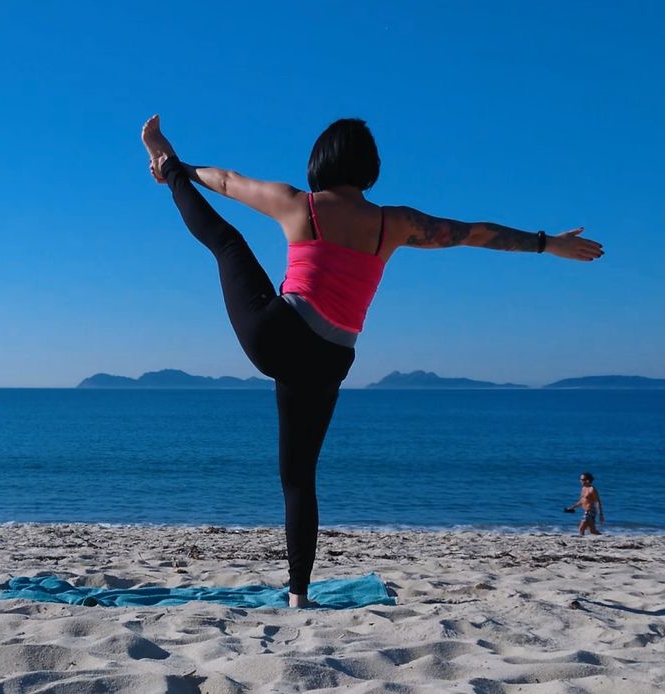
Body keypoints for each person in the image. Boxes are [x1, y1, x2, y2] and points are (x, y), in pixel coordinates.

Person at [141, 115, 604, 607]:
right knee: (299, 478)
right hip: (330, 357)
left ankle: (163, 164)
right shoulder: (395, 223)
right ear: (370, 166)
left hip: (277, 335)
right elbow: (473, 233)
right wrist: (546, 243)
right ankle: (298, 594)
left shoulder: (300, 204)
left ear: (319, 161)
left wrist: (182, 168)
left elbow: (229, 183)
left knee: (227, 242)